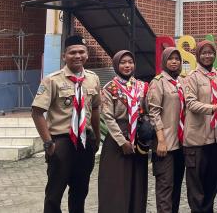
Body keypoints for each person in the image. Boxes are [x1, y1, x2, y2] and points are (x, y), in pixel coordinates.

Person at [32, 35, 101, 213]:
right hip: (61, 142)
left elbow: (95, 108)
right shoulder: (52, 80)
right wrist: (48, 143)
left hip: (85, 142)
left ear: (87, 55)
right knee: (54, 193)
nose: (77, 56)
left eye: (81, 52)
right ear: (64, 56)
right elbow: (37, 112)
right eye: (72, 52)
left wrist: (97, 137)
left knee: (80, 191)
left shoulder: (93, 79)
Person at [98, 50, 149, 213]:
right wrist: (122, 142)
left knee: (137, 181)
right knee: (116, 183)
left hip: (138, 140)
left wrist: (147, 133)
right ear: (116, 65)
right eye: (123, 62)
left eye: (130, 62)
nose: (127, 65)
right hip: (117, 141)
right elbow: (108, 117)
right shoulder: (109, 88)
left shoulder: (142, 86)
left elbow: (147, 111)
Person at [183, 40, 217, 213]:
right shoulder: (191, 77)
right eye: (204, 53)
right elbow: (191, 103)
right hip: (197, 140)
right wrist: (213, 108)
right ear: (198, 55)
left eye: (210, 53)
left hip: (216, 138)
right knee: (196, 186)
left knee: (212, 183)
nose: (207, 56)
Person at [147, 47, 186, 213]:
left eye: (177, 59)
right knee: (165, 186)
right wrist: (161, 141)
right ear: (164, 61)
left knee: (177, 186)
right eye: (170, 58)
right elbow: (154, 113)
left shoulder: (182, 82)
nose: (174, 62)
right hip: (165, 144)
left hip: (181, 143)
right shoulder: (158, 82)